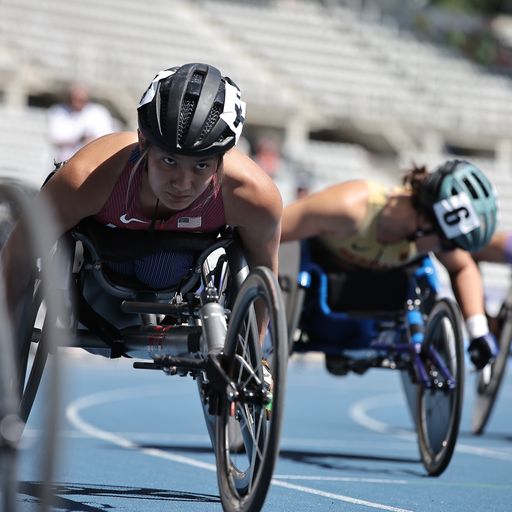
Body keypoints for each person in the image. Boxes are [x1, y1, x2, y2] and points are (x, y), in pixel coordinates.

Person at [2, 63, 282, 332]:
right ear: (143, 143)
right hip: (96, 287)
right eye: (170, 161)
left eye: (201, 166)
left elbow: (263, 277)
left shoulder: (253, 197)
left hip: (178, 282)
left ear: (222, 159)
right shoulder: (87, 177)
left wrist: (257, 362)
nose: (183, 184)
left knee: (160, 267)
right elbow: (18, 254)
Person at [281, 159, 499, 371]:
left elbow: (463, 268)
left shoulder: (432, 230)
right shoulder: (349, 207)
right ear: (425, 221)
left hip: (375, 307)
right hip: (318, 300)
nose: (449, 251)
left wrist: (478, 331)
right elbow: (272, 230)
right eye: (448, 244)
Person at [47, 83, 115, 162]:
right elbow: (55, 138)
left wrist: (92, 140)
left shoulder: (98, 112)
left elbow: (108, 136)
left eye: (82, 100)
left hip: (94, 160)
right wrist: (80, 139)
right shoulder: (58, 112)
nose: (78, 102)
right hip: (66, 161)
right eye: (75, 99)